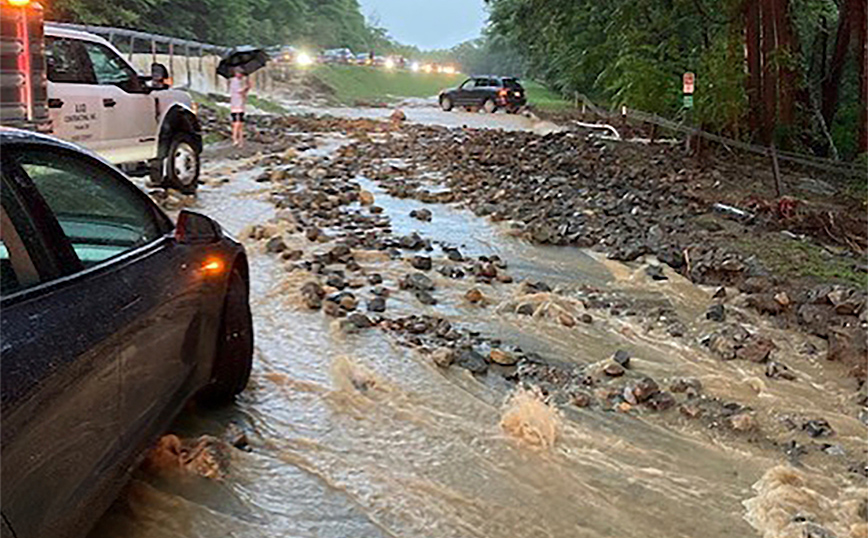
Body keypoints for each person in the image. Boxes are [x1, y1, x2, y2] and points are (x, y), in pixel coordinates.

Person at [228, 67, 251, 147]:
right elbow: (239, 91)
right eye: (239, 73)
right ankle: (234, 139)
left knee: (241, 123)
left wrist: (247, 88)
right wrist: (247, 87)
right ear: (236, 73)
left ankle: (240, 141)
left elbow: (243, 93)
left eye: (241, 74)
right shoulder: (234, 81)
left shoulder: (240, 81)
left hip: (240, 104)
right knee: (236, 123)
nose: (240, 75)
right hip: (235, 104)